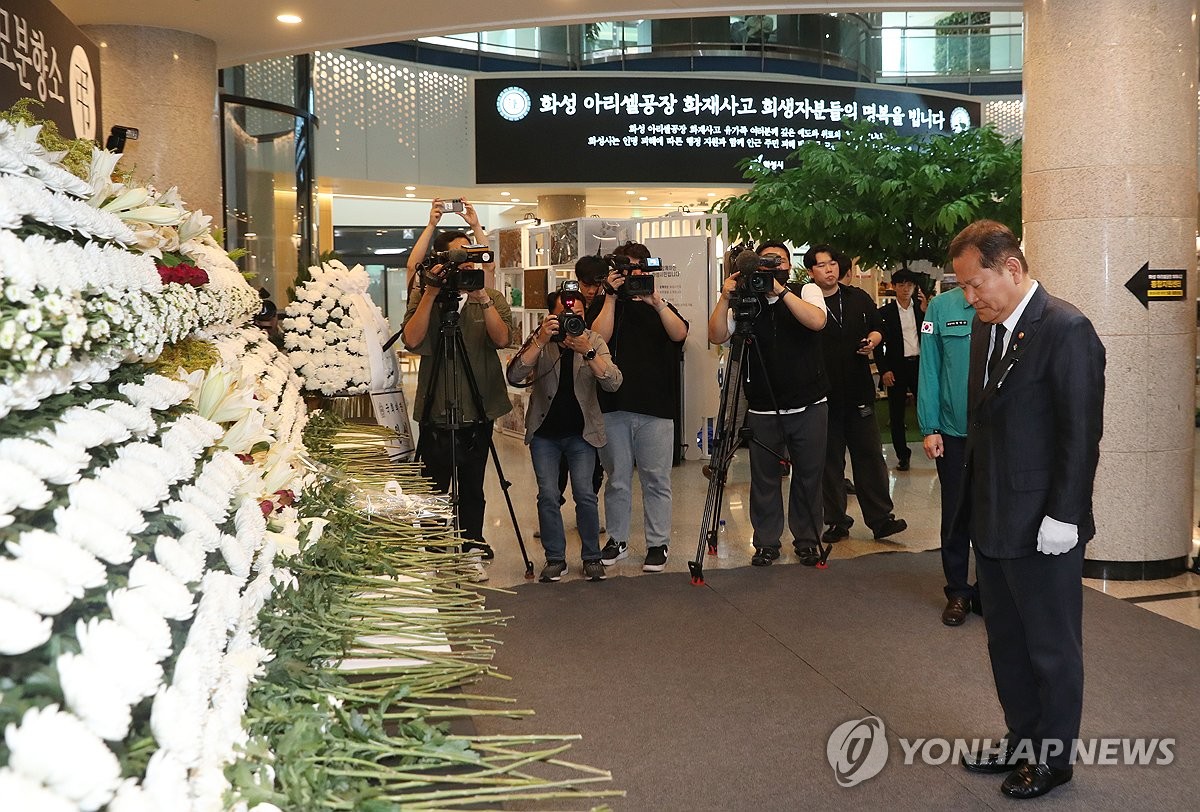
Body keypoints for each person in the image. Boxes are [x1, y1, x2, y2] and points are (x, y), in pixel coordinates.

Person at [951, 220, 1104, 800]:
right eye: (964, 288)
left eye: (974, 284)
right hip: (992, 517)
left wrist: (1065, 515)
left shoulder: (1066, 329)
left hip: (1045, 524)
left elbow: (1079, 432)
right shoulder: (988, 328)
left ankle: (1054, 758)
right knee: (1006, 643)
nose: (970, 297)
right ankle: (1022, 738)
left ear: (1010, 268)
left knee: (1051, 646)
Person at [708, 242, 828, 566]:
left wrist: (781, 291)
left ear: (789, 266)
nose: (773, 267)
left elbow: (817, 321)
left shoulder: (807, 290)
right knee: (763, 479)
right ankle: (765, 542)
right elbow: (717, 335)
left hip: (809, 404)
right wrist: (725, 297)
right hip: (762, 407)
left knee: (808, 476)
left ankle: (806, 540)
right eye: (765, 262)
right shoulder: (747, 300)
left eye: (779, 261)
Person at [401, 233, 513, 568]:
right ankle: (435, 550)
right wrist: (431, 291)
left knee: (472, 485)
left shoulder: (490, 296)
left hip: (480, 408)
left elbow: (503, 338)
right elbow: (411, 338)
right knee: (433, 484)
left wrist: (480, 296)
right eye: (455, 258)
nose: (464, 263)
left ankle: (470, 545)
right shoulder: (425, 296)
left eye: (470, 256)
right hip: (437, 408)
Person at [506, 286, 622, 583]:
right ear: (551, 316)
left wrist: (588, 351)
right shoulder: (541, 340)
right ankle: (555, 558)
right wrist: (541, 339)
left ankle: (591, 557)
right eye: (564, 314)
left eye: (578, 315)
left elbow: (613, 382)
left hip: (582, 433)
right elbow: (515, 375)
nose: (572, 319)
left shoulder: (593, 340)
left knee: (585, 494)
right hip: (545, 433)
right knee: (548, 495)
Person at [594, 241, 689, 573]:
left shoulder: (659, 305)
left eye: (637, 267)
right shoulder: (605, 303)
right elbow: (596, 339)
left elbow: (680, 335)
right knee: (617, 477)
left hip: (657, 407)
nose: (631, 273)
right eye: (625, 267)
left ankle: (658, 543)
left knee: (656, 478)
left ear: (648, 269)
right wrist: (609, 296)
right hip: (613, 404)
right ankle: (617, 540)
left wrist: (655, 301)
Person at [806, 245, 907, 543]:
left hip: (859, 391)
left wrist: (873, 341)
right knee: (829, 462)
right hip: (822, 395)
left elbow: (879, 327)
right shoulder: (806, 303)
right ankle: (837, 521)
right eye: (821, 265)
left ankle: (881, 519)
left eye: (833, 263)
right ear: (811, 271)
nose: (829, 269)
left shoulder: (858, 298)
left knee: (870, 457)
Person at [916, 284, 978, 626]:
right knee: (955, 513)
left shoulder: (1004, 302)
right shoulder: (940, 307)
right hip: (953, 432)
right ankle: (958, 590)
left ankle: (990, 591)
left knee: (994, 512)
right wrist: (929, 427)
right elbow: (930, 367)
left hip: (997, 433)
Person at [877, 268, 924, 470]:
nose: (906, 289)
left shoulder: (921, 310)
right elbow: (878, 345)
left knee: (927, 409)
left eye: (910, 285)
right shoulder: (884, 313)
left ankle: (937, 446)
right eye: (901, 285)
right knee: (896, 415)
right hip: (896, 368)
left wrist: (926, 310)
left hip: (920, 365)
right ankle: (902, 455)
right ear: (894, 287)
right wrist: (884, 370)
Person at [406, 198, 496, 290]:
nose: (467, 260)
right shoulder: (430, 288)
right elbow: (412, 268)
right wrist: (431, 225)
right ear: (443, 259)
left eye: (468, 253)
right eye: (459, 255)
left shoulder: (479, 288)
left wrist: (475, 226)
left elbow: (489, 266)